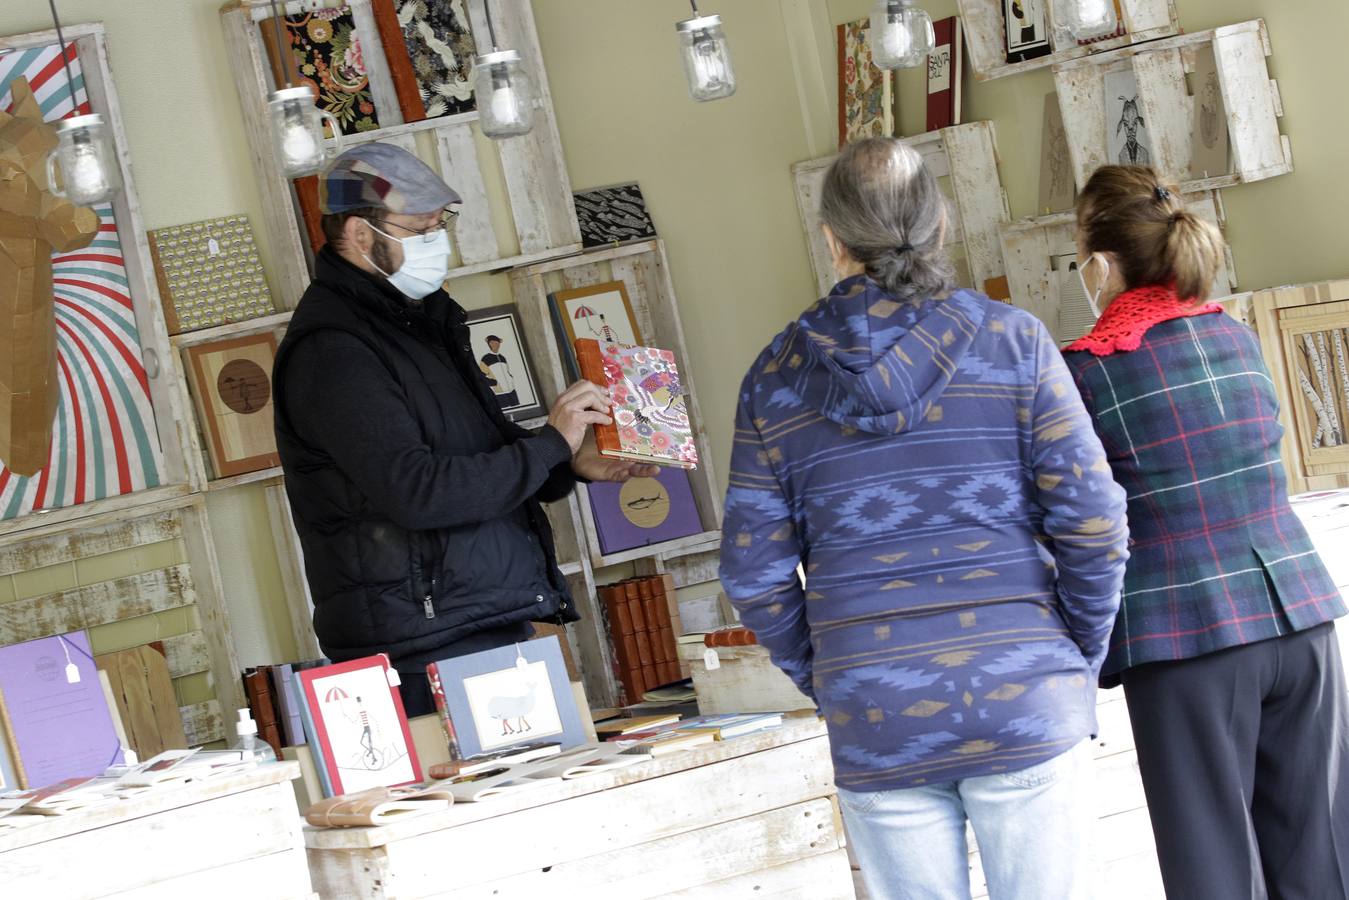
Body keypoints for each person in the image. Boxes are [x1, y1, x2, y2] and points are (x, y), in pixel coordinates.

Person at [719, 137, 1129, 899]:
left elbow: (751, 568)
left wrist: (834, 673)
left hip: (874, 707)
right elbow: (1093, 521)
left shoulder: (771, 380)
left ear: (832, 241)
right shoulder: (1013, 343)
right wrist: (1076, 651)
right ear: (939, 225)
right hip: (1027, 691)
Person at [272, 143, 656, 715]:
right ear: (358, 234)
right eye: (420, 229)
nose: (437, 241)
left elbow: (475, 454)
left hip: (474, 621)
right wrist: (550, 443)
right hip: (421, 643)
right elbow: (419, 492)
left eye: (440, 225)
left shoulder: (422, 323)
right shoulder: (335, 351)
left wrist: (566, 460)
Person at [1062, 165, 1349, 899]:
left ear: (1098, 264)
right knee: (1321, 859)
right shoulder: (1234, 335)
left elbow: (1074, 523)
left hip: (1184, 639)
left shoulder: (1085, 373)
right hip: (1302, 617)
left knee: (1213, 872)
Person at [479, 335, 520, 408]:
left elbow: (507, 371)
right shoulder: (486, 359)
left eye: (498, 343)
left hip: (511, 391)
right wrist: (493, 383)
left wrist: (511, 379)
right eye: (494, 343)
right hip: (499, 393)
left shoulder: (502, 357)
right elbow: (481, 376)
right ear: (490, 344)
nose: (497, 345)